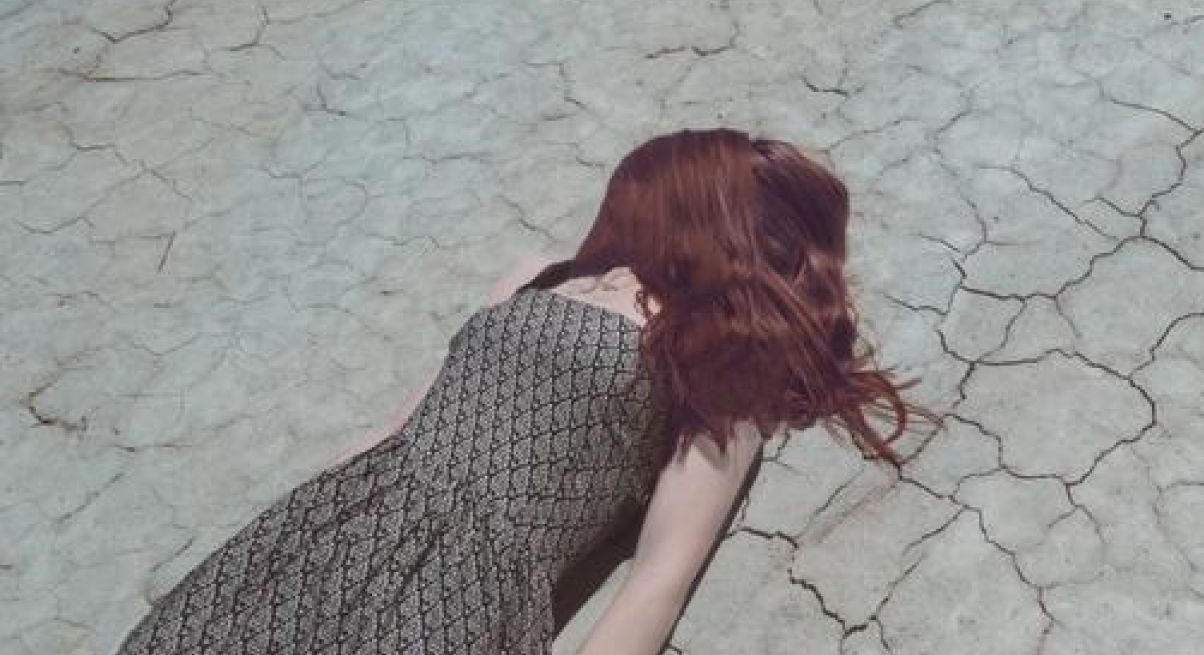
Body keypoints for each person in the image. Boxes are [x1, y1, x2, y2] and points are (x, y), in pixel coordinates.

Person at [116, 128, 935, 654]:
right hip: (340, 521)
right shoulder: (540, 273)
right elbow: (404, 419)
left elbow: (659, 577)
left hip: (460, 584)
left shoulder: (720, 363)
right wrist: (288, 527)